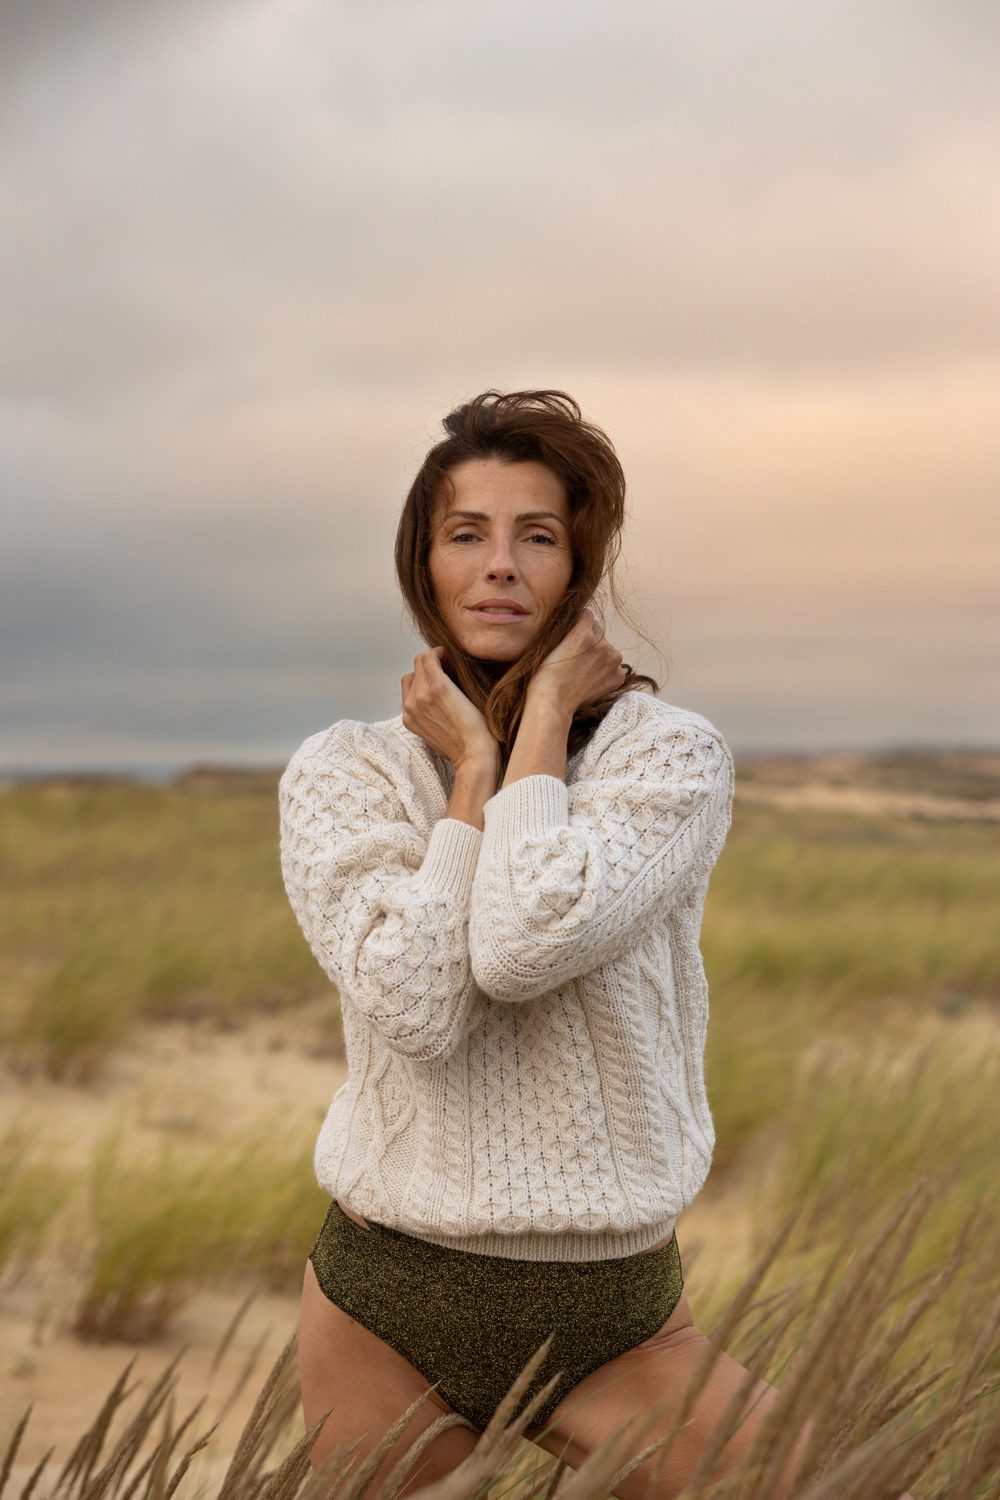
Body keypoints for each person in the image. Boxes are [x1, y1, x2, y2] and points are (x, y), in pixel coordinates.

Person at [279, 390, 912, 1499]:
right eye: (465, 535)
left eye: (538, 536)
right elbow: (421, 1005)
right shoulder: (345, 773)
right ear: (421, 564)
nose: (501, 567)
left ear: (580, 564)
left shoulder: (665, 760)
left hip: (610, 1313)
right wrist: (471, 776)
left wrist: (525, 738)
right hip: (385, 1294)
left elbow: (524, 941)